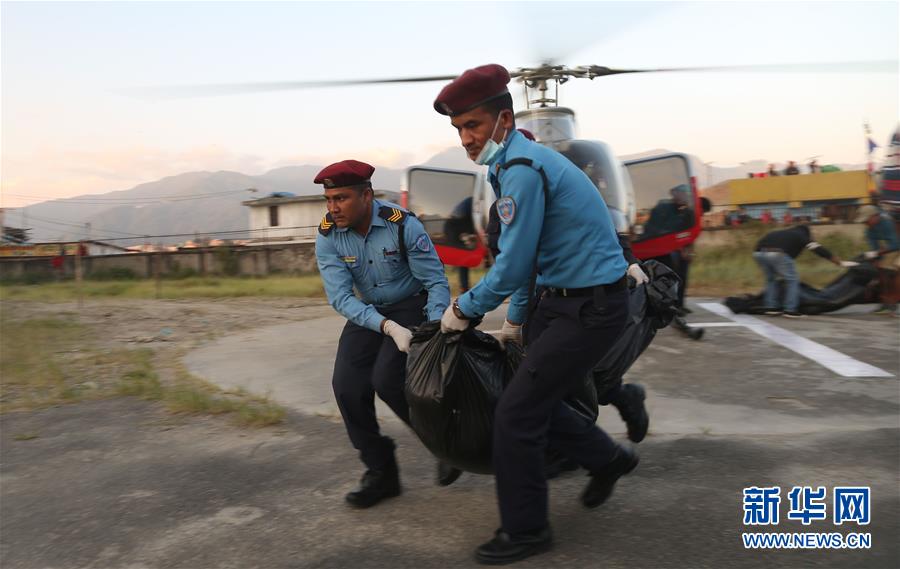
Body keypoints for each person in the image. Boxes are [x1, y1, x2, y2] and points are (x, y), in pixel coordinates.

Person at [434, 63, 637, 565]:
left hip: (590, 307)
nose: (465, 138)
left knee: (516, 413)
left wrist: (463, 309)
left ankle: (526, 530)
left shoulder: (523, 169)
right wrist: (517, 322)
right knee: (533, 400)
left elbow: (512, 264)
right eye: (459, 129)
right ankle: (608, 459)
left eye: (473, 125)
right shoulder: (508, 166)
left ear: (504, 120)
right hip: (560, 300)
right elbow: (533, 261)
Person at [313, 159, 455, 509]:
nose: (333, 208)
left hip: (410, 305)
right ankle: (381, 471)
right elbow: (340, 297)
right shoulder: (328, 235)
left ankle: (445, 444)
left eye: (341, 198)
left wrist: (432, 329)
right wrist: (386, 326)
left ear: (367, 196)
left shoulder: (402, 225)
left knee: (388, 379)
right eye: (329, 200)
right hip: (370, 313)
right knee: (346, 387)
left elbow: (435, 282)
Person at [752, 224, 842, 317]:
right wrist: (837, 262)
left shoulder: (783, 233)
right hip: (777, 253)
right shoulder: (801, 235)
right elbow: (818, 249)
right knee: (792, 280)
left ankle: (771, 308)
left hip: (758, 253)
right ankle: (790, 310)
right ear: (807, 232)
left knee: (771, 280)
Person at [855, 204, 900, 315]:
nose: (865, 223)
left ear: (875, 216)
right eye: (864, 221)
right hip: (894, 247)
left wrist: (878, 253)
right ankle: (886, 303)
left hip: (897, 245)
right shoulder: (869, 230)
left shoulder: (887, 223)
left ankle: (892, 301)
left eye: (867, 220)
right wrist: (876, 259)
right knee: (883, 270)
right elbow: (874, 247)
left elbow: (895, 244)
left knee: (895, 270)